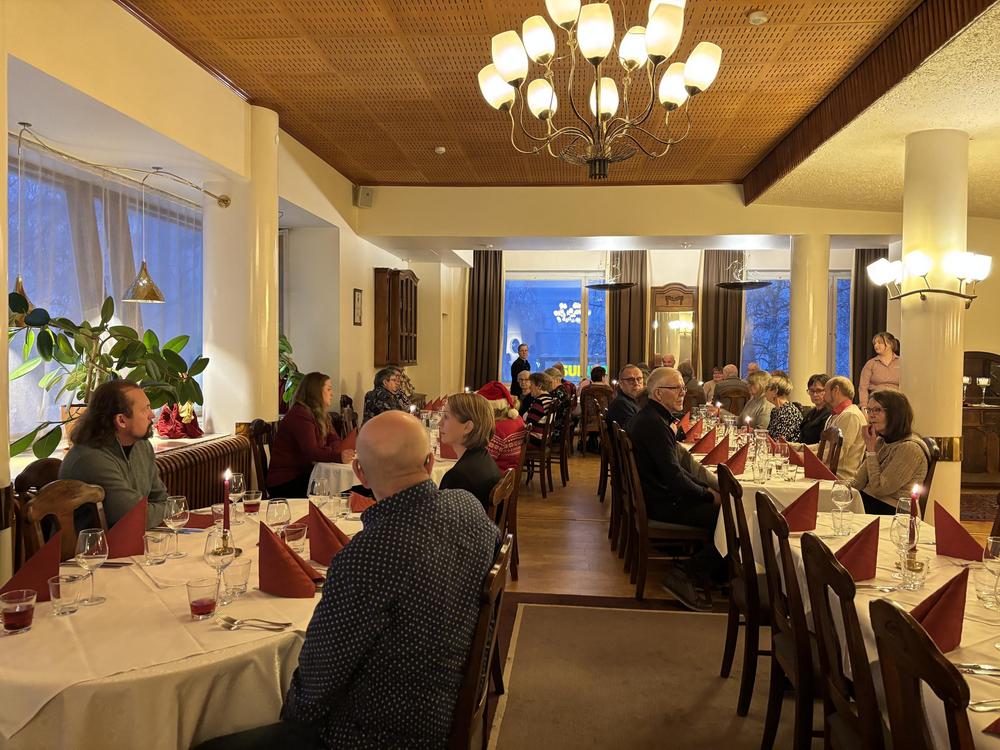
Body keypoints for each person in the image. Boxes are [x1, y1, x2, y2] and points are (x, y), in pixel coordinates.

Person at [198, 412, 500, 749]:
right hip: (446, 703)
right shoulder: (468, 507)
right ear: (430, 463)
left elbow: (316, 685)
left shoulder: (368, 556)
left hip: (378, 735)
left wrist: (286, 724)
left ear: (360, 473)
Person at [627, 367, 719, 612]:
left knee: (723, 508)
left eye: (683, 388)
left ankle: (717, 574)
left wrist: (704, 488)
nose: (683, 393)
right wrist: (708, 494)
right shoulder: (654, 425)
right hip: (661, 503)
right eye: (676, 388)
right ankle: (686, 572)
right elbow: (675, 480)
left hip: (656, 495)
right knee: (732, 519)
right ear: (658, 393)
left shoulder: (652, 418)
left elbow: (675, 470)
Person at [59, 380, 168, 529]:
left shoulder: (142, 446)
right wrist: (166, 511)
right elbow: (134, 517)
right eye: (145, 409)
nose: (152, 415)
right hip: (92, 544)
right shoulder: (90, 459)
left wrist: (165, 510)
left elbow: (162, 499)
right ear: (121, 420)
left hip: (130, 538)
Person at [268, 372, 353, 499]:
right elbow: (312, 452)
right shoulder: (300, 414)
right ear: (316, 392)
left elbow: (334, 439)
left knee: (349, 487)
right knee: (347, 489)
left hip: (305, 473)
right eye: (328, 389)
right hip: (286, 480)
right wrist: (338, 456)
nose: (332, 393)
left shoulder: (320, 414)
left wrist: (335, 449)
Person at [853, 390, 929, 514]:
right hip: (870, 502)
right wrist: (833, 487)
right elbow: (858, 482)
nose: (871, 415)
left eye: (877, 410)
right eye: (869, 410)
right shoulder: (881, 441)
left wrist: (870, 450)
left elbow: (879, 489)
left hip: (893, 510)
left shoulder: (910, 448)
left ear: (895, 414)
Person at [438, 392, 502, 512]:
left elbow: (443, 520)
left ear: (467, 427)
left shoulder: (459, 477)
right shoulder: (483, 458)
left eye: (446, 417)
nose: (439, 423)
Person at [808, 376, 868, 482]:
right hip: (827, 473)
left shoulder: (850, 415)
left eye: (825, 390)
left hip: (839, 479)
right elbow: (822, 446)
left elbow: (837, 454)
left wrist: (804, 457)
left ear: (835, 390)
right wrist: (797, 448)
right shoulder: (836, 415)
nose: (824, 394)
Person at [858, 331, 901, 409]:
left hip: (896, 402)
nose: (876, 345)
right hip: (876, 401)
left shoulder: (901, 362)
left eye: (879, 343)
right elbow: (863, 387)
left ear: (890, 344)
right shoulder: (871, 363)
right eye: (874, 343)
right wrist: (864, 406)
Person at [579, 366, 615, 452]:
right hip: (604, 420)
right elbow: (612, 406)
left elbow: (582, 405)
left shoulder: (585, 389)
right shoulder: (608, 390)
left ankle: (591, 442)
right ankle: (602, 444)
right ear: (603, 377)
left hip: (588, 420)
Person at [765, 374, 802, 442]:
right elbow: (770, 436)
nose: (765, 391)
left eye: (767, 388)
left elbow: (781, 441)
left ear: (775, 391)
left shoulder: (790, 412)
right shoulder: (775, 411)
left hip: (787, 448)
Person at [606, 364, 644, 430]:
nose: (636, 383)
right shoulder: (621, 404)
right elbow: (635, 431)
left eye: (639, 379)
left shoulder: (635, 401)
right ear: (621, 383)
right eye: (630, 380)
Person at [800, 373, 831, 444]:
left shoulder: (830, 413)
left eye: (819, 390)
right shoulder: (811, 413)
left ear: (827, 391)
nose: (815, 394)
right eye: (812, 391)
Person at [524, 372, 554, 444]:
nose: (529, 387)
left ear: (539, 386)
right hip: (544, 437)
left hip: (535, 439)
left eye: (531, 384)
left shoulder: (540, 402)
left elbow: (529, 424)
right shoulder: (549, 399)